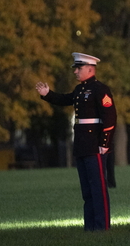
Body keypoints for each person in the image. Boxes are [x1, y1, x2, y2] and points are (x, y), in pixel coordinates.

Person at [35, 52, 116, 231]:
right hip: (82, 144)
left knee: (98, 189)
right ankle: (90, 227)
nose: (75, 72)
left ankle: (102, 228)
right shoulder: (80, 90)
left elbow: (110, 117)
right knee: (87, 190)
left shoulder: (100, 89)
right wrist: (48, 94)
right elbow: (65, 99)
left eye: (78, 68)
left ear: (90, 68)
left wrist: (104, 143)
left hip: (95, 144)